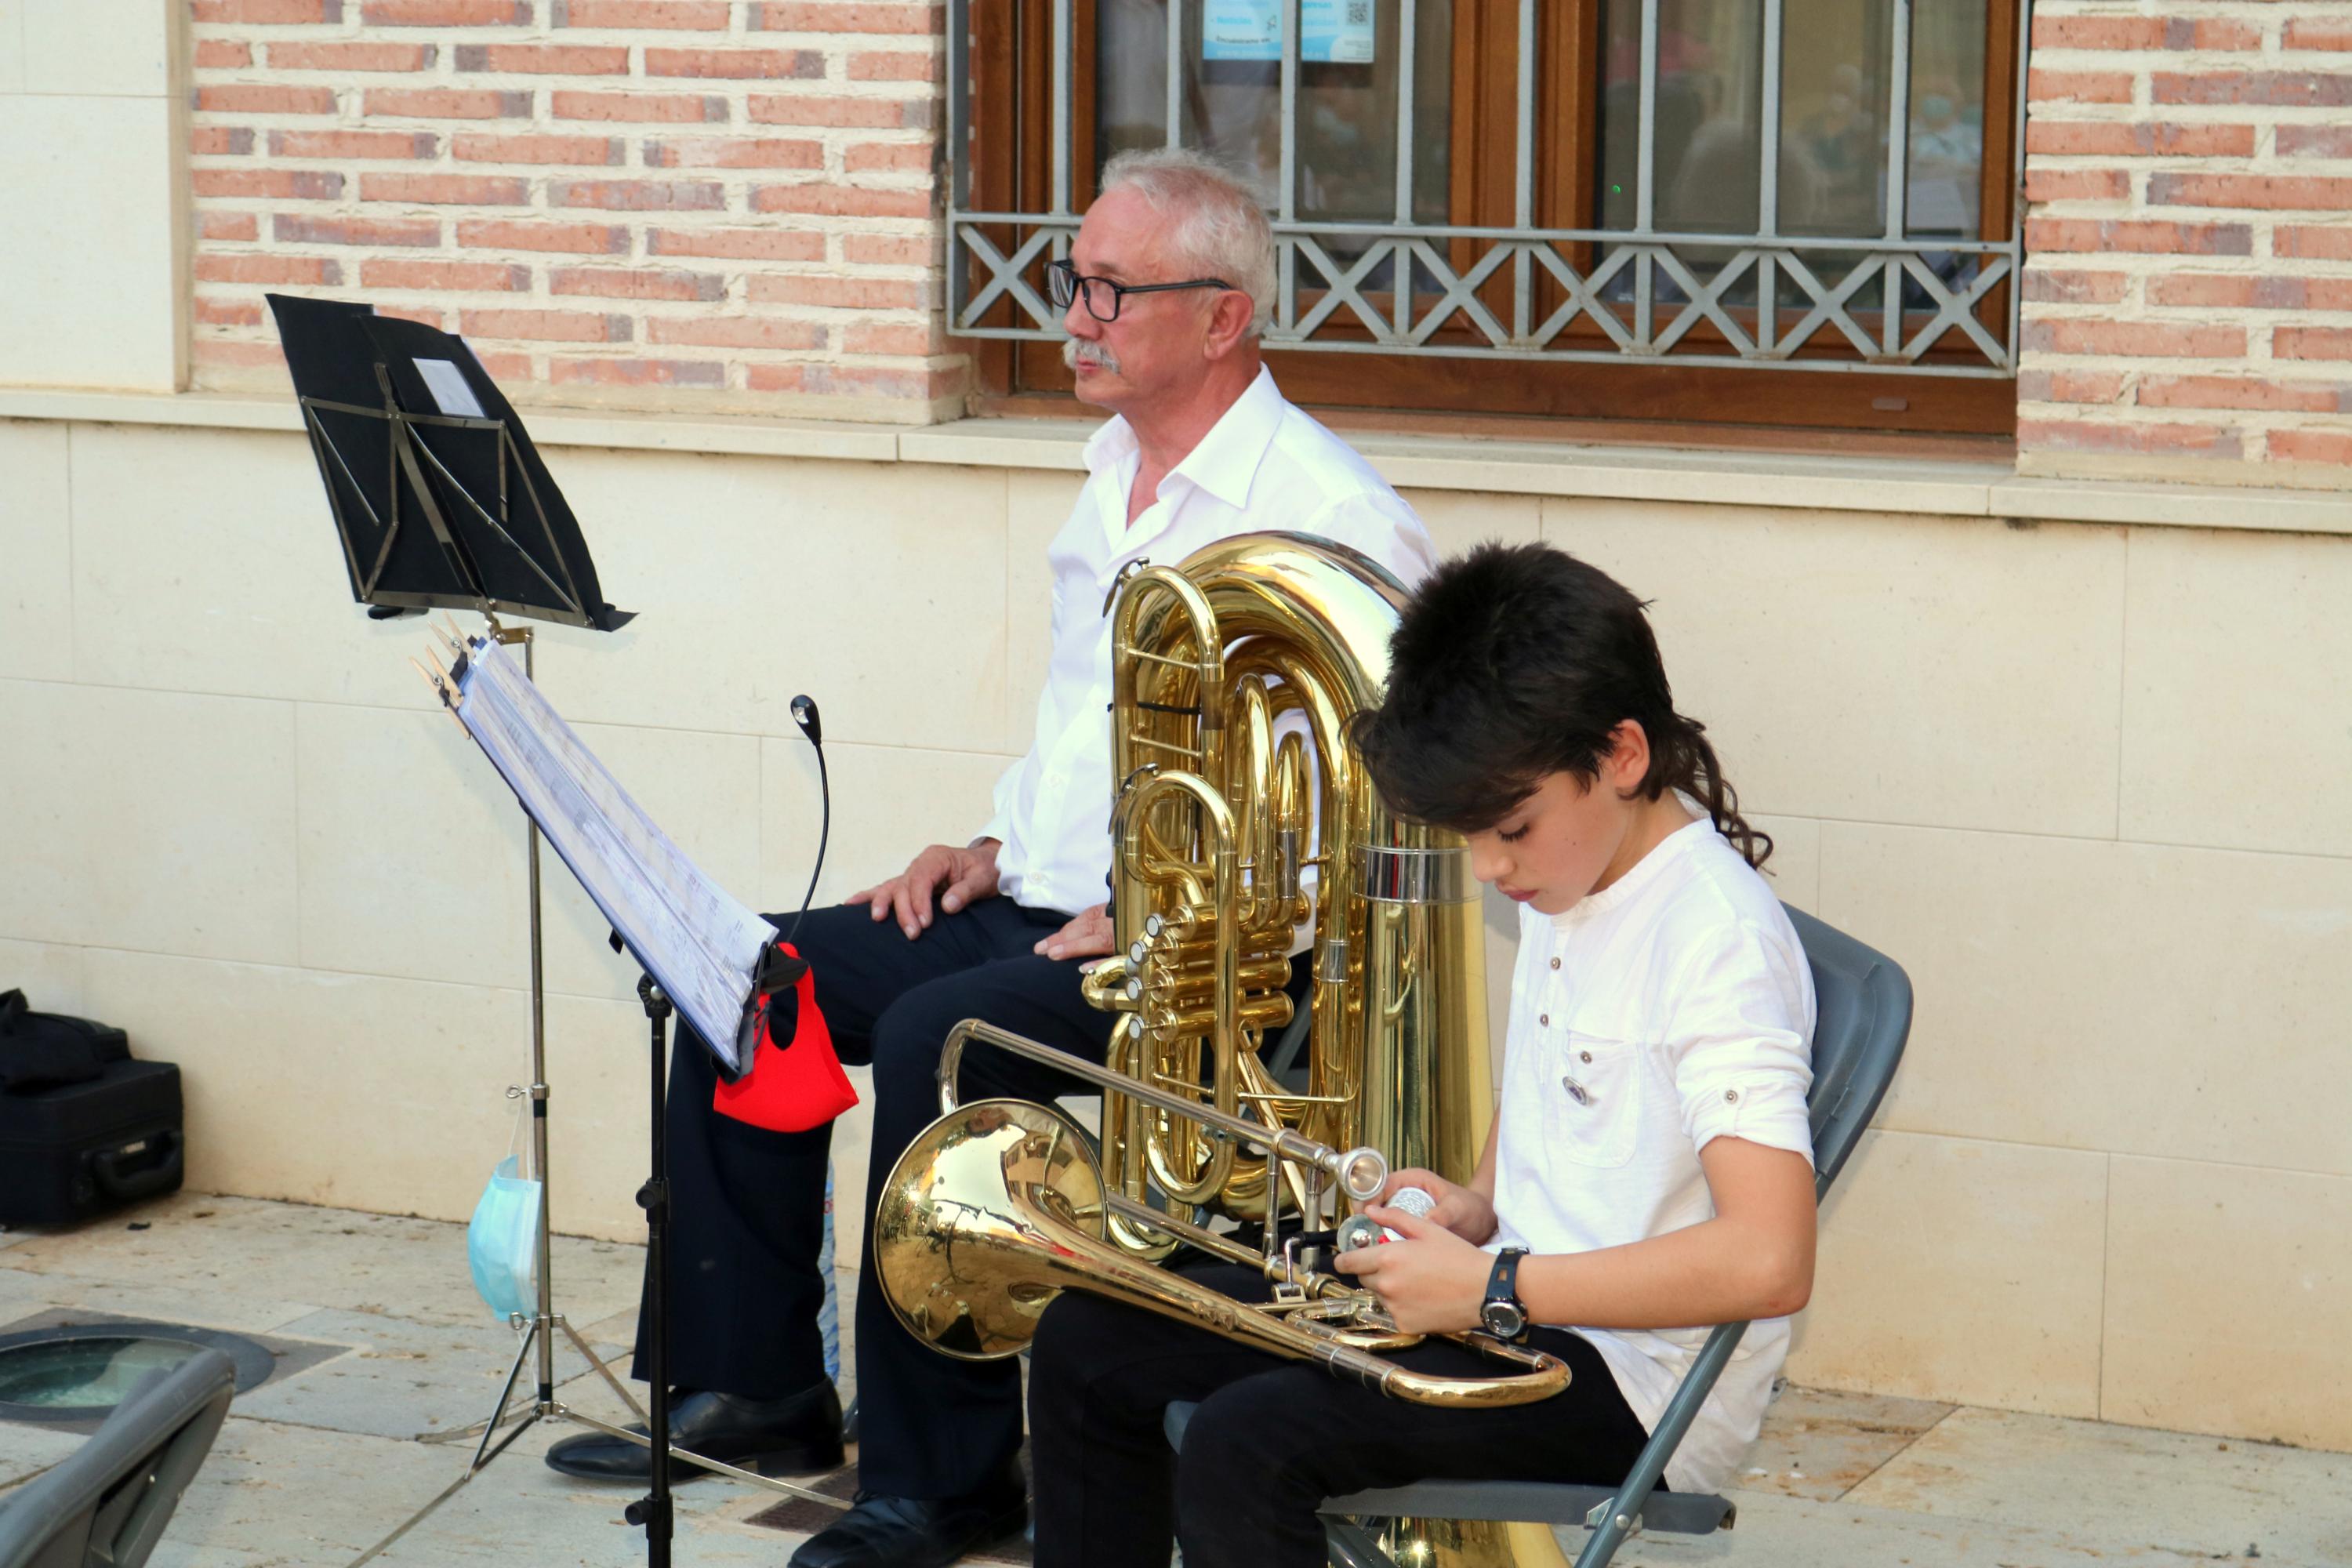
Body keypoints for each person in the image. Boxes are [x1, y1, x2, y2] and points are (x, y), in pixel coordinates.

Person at [543, 146, 1437, 1568]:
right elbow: (1089, 734)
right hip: (1032, 903)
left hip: (1202, 970)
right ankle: (764, 1381)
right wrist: (986, 843)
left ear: (1222, 317)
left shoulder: (1332, 512)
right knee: (733, 964)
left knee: (927, 1035)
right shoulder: (1113, 471)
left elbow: (1390, 807)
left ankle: (947, 1482)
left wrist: (1163, 915)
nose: (1070, 315)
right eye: (1068, 280)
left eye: (1106, 289)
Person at [1025, 542, 1819, 1568]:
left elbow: (1769, 1258)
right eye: (1474, 836)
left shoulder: (1716, 940)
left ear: (1622, 756)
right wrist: (1478, 1204)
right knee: (1091, 1341)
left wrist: (1493, 1286)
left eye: (1511, 829)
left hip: (1631, 1380)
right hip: (1519, 1298)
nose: (1490, 868)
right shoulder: (1576, 863)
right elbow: (1565, 1073)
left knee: (1248, 1446)